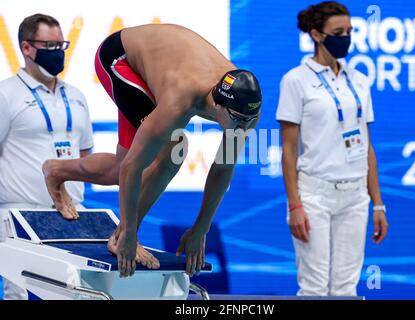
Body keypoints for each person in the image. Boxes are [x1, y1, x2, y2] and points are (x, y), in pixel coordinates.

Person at [42, 24, 262, 278]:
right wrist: (130, 233)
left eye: (250, 120)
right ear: (218, 105)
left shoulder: (245, 110)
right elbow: (132, 168)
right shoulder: (182, 99)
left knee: (117, 170)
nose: (244, 128)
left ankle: (56, 171)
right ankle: (121, 235)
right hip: (120, 60)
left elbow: (223, 169)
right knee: (173, 149)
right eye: (238, 121)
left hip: (158, 64)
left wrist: (201, 229)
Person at [276, 1, 388, 296]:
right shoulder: (295, 80)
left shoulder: (360, 81)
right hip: (314, 195)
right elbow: (288, 151)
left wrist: (377, 203)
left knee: (346, 289)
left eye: (349, 31)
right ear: (316, 34)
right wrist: (295, 205)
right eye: (338, 31)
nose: (346, 37)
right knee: (313, 289)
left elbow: (366, 146)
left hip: (355, 196)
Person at [0, 14, 94, 299]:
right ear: (27, 48)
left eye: (61, 45)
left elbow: (85, 156)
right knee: (22, 294)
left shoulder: (77, 96)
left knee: (81, 292)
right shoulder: (6, 95)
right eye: (50, 45)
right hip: (20, 213)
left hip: (73, 213)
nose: (58, 52)